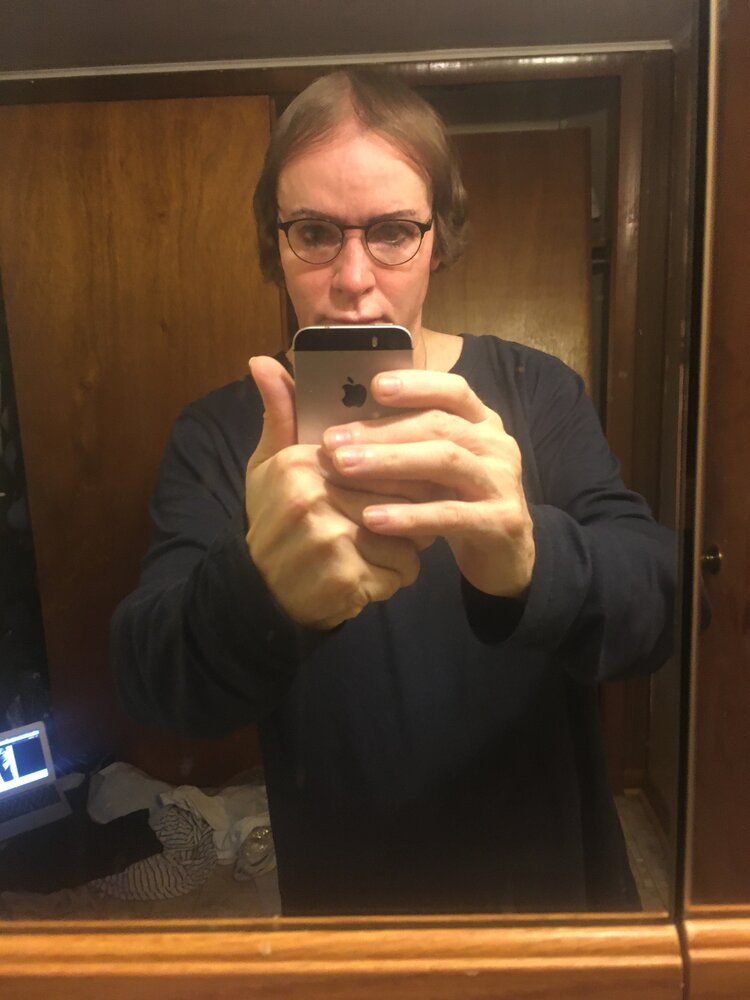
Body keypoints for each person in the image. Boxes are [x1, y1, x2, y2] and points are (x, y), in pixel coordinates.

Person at [111, 68, 677, 915]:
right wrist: (258, 591)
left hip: (554, 905)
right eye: (314, 232)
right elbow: (150, 681)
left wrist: (534, 561)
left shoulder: (536, 391)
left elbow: (664, 607)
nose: (352, 278)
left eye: (391, 232)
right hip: (351, 916)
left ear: (437, 237)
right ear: (275, 243)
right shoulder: (221, 433)